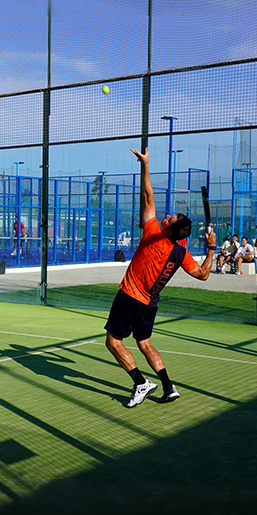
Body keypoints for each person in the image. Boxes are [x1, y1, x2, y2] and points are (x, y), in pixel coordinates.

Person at [104, 147, 217, 408]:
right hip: (150, 305)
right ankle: (168, 386)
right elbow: (203, 275)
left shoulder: (153, 231)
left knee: (113, 342)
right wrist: (211, 248)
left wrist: (145, 164)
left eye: (171, 217)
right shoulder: (181, 251)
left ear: (169, 227)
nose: (166, 215)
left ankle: (140, 382)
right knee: (144, 343)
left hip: (129, 298)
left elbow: (147, 195)